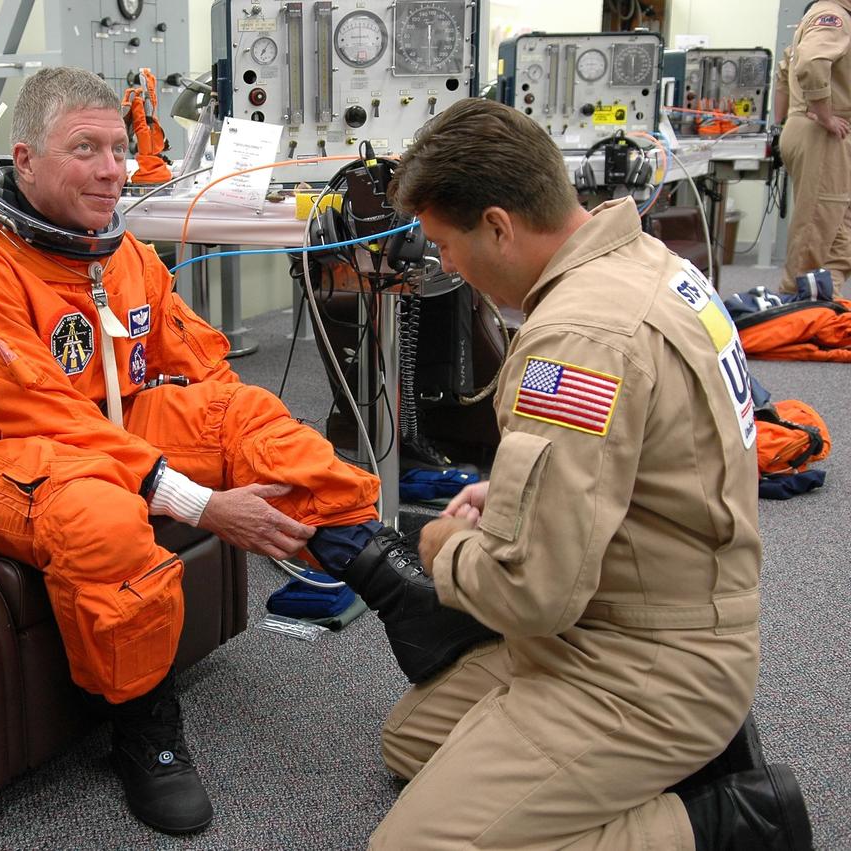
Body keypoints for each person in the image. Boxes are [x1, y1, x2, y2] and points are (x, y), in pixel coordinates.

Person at [0, 66, 485, 835]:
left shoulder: (118, 252)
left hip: (107, 422)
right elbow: (41, 415)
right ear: (26, 158)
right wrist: (200, 501)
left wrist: (238, 449)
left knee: (248, 415)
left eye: (117, 148)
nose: (112, 170)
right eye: (85, 149)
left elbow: (199, 359)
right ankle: (145, 730)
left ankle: (393, 583)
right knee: (99, 515)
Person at [331, 98, 814, 849]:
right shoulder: (649, 261)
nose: (446, 268)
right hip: (645, 602)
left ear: (498, 224)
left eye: (445, 246)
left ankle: (721, 821)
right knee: (412, 741)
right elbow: (657, 453)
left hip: (642, 661)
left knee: (413, 844)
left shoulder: (577, 338)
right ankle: (646, 767)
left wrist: (438, 551)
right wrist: (526, 496)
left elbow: (534, 595)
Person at [776, 0, 851, 295]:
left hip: (816, 130)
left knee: (838, 233)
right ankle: (796, 313)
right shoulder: (832, 16)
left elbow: (783, 75)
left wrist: (783, 122)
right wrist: (823, 113)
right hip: (823, 134)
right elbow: (811, 63)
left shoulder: (822, 17)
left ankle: (823, 306)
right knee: (816, 233)